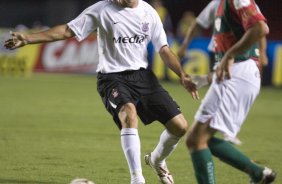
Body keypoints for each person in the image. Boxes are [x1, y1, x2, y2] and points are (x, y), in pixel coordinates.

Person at [4, 0, 198, 184]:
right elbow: (66, 30)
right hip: (111, 77)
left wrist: (182, 74)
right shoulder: (102, 9)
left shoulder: (149, 13)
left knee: (179, 126)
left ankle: (156, 160)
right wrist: (28, 38)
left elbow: (163, 49)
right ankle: (137, 179)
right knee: (128, 114)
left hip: (142, 76)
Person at [185, 0, 276, 184]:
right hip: (230, 76)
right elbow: (225, 64)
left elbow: (260, 28)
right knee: (197, 140)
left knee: (197, 140)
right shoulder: (221, 4)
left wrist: (231, 54)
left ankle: (259, 174)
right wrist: (203, 79)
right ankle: (259, 174)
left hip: (240, 75)